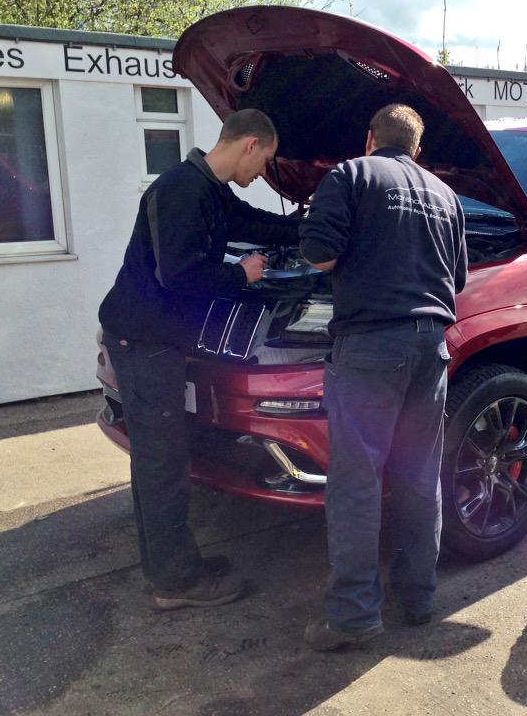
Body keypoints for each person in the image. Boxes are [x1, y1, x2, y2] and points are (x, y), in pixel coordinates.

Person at [99, 109, 299, 610]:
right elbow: (178, 276)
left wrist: (299, 228)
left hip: (153, 340)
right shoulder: (181, 189)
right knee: (163, 462)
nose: (264, 174)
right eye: (266, 161)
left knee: (157, 458)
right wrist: (242, 276)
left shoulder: (208, 189)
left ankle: (169, 567)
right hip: (143, 343)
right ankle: (177, 584)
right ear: (250, 144)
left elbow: (250, 222)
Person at [298, 103, 467, 651]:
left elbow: (319, 256)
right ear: (418, 149)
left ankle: (351, 616)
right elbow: (457, 276)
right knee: (420, 474)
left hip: (371, 347)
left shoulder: (350, 174)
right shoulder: (446, 196)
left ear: (370, 138)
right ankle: (418, 597)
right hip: (432, 348)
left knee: (358, 480)